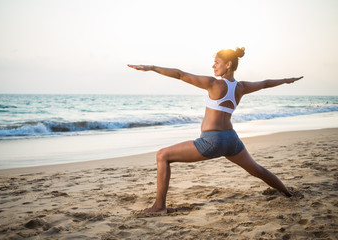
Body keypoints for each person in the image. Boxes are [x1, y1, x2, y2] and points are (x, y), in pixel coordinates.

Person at [128, 47, 303, 213]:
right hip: (232, 140)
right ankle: (288, 193)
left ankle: (159, 207)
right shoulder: (241, 87)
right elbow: (265, 83)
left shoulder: (213, 84)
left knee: (162, 155)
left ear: (228, 65)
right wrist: (286, 80)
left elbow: (180, 75)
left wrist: (152, 68)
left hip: (212, 141)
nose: (213, 66)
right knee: (257, 170)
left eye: (217, 62)